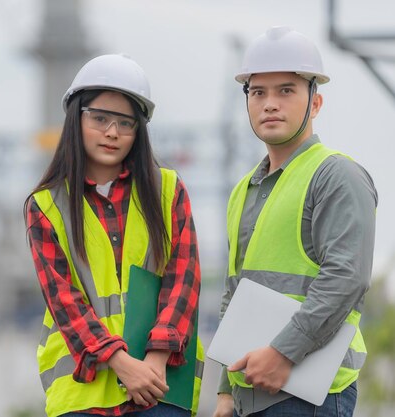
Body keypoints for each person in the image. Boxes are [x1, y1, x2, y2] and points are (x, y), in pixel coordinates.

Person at [24, 54, 204, 417]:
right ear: (76, 118)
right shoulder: (45, 205)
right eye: (100, 118)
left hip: (161, 387)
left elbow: (183, 278)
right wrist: (123, 364)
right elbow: (65, 301)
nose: (112, 133)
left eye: (125, 123)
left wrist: (155, 360)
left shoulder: (167, 190)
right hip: (83, 395)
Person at [212, 26, 378, 417]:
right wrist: (224, 390)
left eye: (286, 91)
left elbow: (346, 278)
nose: (270, 104)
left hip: (307, 394)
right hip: (249, 392)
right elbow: (234, 292)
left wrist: (283, 353)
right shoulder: (244, 190)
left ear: (315, 104)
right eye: (258, 92)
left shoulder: (337, 175)